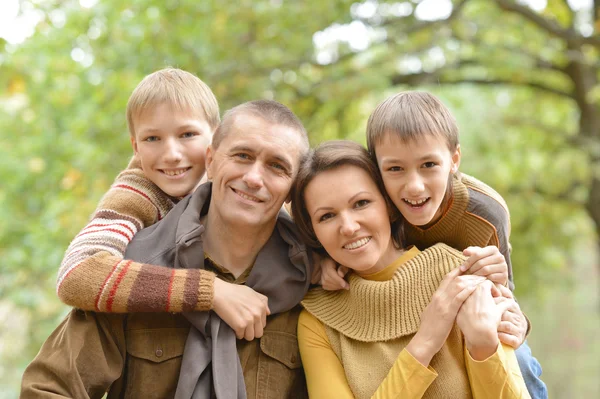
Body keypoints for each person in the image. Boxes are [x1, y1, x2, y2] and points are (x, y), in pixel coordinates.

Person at [21, 100, 312, 398]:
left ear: (293, 188)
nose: (253, 178)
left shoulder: (312, 284)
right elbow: (47, 389)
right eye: (242, 155)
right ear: (210, 160)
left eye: (277, 166)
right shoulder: (132, 270)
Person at [321, 91, 546, 398]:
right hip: (409, 309)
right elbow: (310, 213)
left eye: (428, 164)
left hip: (466, 314)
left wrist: (517, 321)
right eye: (395, 169)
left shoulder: (485, 213)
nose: (413, 186)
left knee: (518, 357)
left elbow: (504, 292)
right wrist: (317, 260)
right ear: (376, 169)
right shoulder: (372, 201)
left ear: (454, 160)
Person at [55, 67, 272, 338]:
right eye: (153, 138)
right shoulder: (138, 192)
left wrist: (316, 259)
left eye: (187, 134)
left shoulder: (234, 179)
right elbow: (78, 273)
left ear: (216, 139)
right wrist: (210, 290)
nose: (171, 154)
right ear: (136, 147)